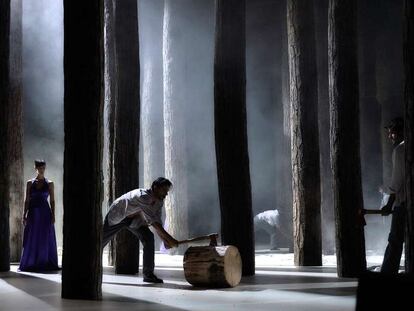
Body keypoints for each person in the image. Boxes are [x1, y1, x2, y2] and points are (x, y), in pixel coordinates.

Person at [102, 177, 178, 283]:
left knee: (149, 238)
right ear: (155, 188)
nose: (166, 194)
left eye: (167, 191)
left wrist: (165, 240)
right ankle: (88, 266)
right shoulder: (143, 196)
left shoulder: (159, 201)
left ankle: (148, 274)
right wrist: (170, 239)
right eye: (164, 190)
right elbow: (154, 223)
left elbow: (158, 221)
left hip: (134, 219)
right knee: (100, 241)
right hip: (118, 214)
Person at [19, 159, 59, 271]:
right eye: (39, 168)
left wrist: (53, 215)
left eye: (43, 168)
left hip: (45, 213)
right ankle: (31, 262)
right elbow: (27, 200)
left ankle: (45, 261)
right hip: (32, 213)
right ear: (35, 168)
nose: (41, 170)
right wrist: (24, 214)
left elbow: (52, 201)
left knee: (44, 237)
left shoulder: (50, 183)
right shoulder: (30, 183)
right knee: (32, 236)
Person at [380, 117, 405, 274]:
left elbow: (397, 181)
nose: (390, 136)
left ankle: (387, 275)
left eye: (392, 133)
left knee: (395, 241)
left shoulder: (400, 150)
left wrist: (389, 204)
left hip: (403, 203)